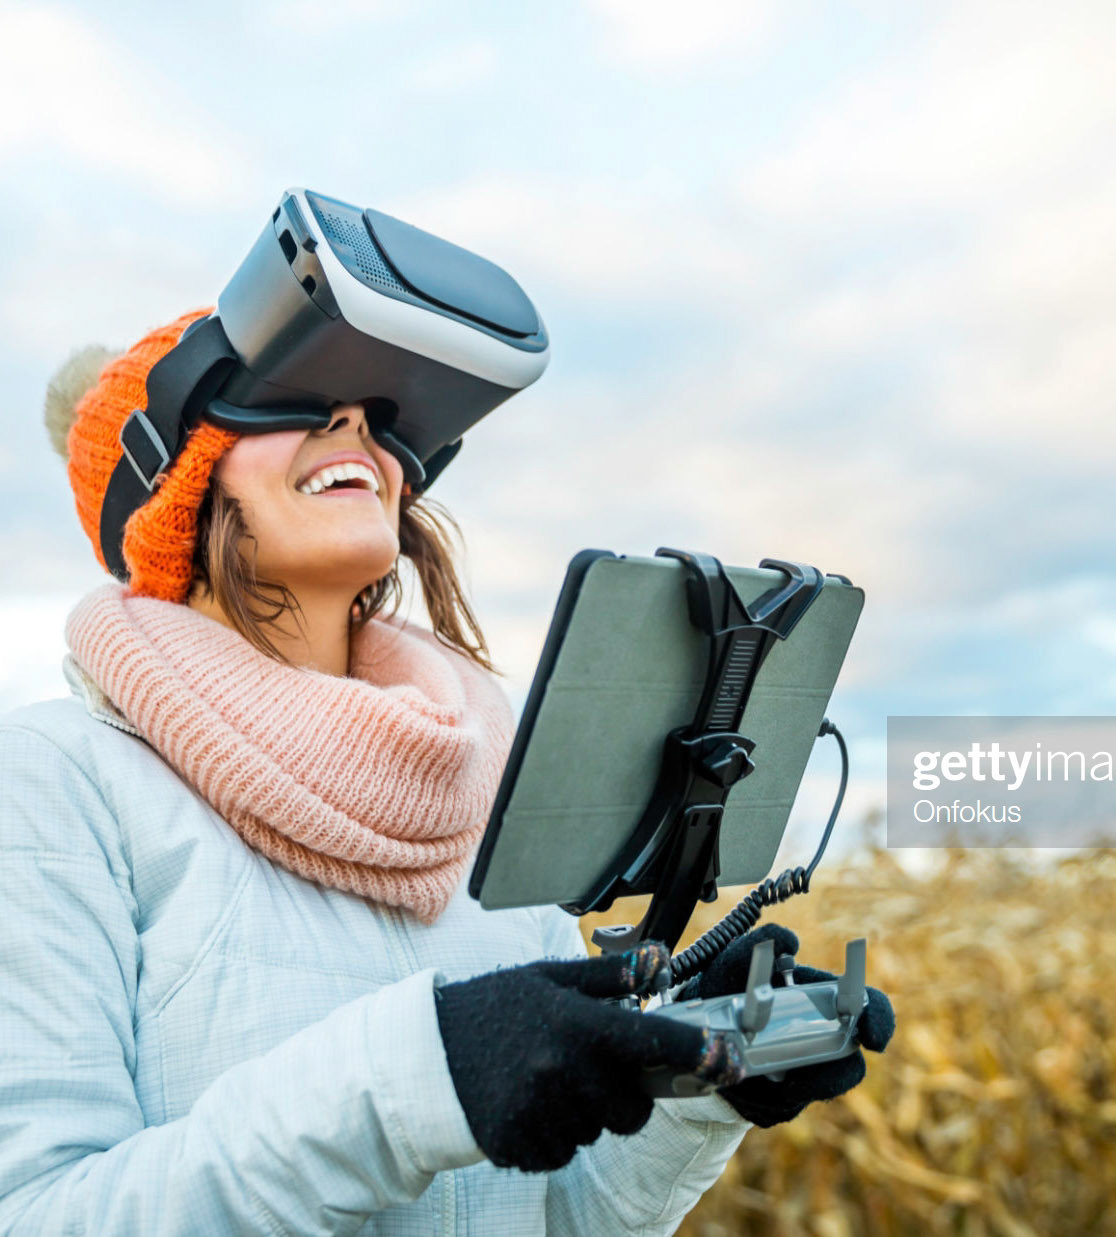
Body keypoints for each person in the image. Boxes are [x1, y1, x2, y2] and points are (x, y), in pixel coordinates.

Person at [0, 306, 893, 1235]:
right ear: (167, 485)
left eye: (370, 415)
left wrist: (696, 1083)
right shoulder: (58, 782)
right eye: (289, 398)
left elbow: (563, 1216)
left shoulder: (474, 789)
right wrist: (416, 1083)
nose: (354, 424)